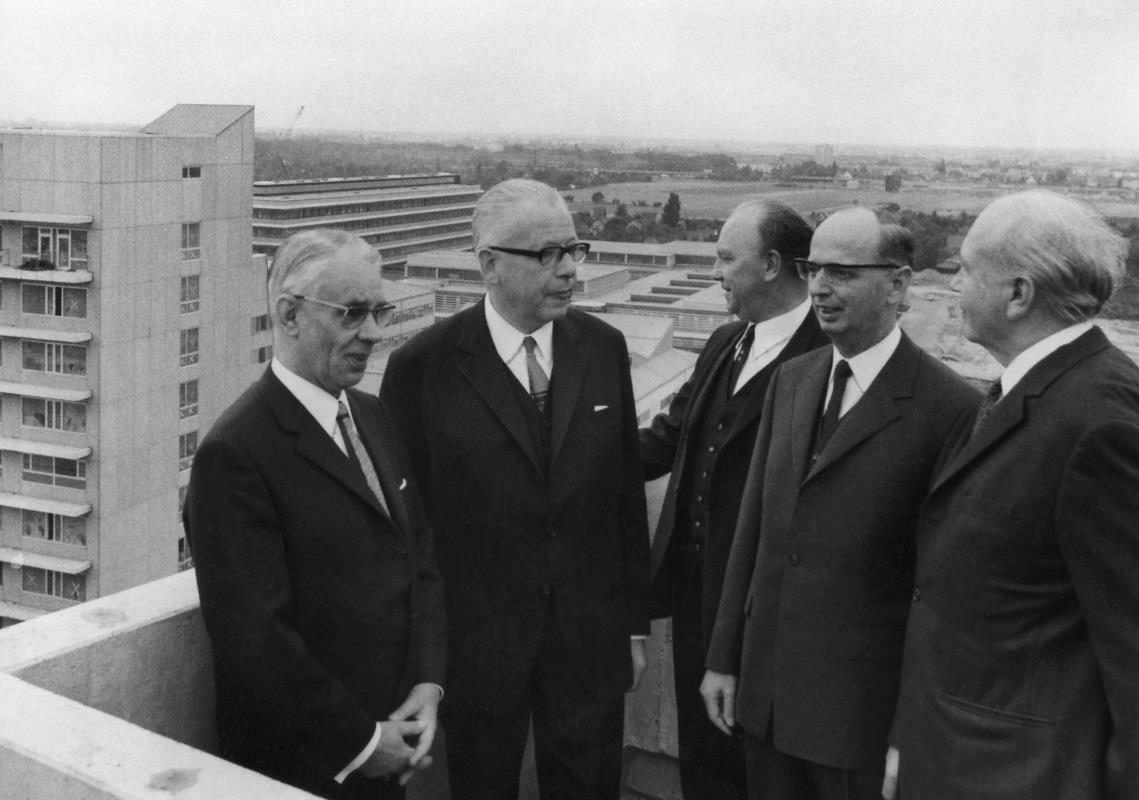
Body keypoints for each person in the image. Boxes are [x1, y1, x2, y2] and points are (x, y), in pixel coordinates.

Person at [380, 178, 649, 800]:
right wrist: (426, 658)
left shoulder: (603, 349)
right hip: (478, 651)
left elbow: (623, 495)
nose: (569, 270)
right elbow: (408, 529)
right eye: (547, 255)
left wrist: (633, 624)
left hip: (589, 643)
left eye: (574, 250)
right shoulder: (423, 365)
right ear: (489, 264)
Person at [701, 207, 979, 799]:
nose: (820, 287)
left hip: (858, 725)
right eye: (813, 268)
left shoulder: (951, 408)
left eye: (843, 273)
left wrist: (910, 730)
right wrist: (723, 659)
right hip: (764, 702)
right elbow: (752, 533)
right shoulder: (794, 380)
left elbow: (940, 593)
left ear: (899, 285)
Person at [885, 191, 1139, 800]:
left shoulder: (1100, 421)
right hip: (953, 760)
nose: (952, 286)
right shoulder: (1026, 393)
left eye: (966, 270)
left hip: (1024, 777)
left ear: (1018, 293)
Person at [184, 230, 445, 800]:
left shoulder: (372, 415)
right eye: (352, 313)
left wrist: (429, 681)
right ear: (289, 314)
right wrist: (360, 744)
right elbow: (255, 640)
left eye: (378, 311)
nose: (373, 333)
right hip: (303, 768)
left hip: (390, 747)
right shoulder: (235, 454)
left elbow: (417, 552)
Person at [640, 200, 826, 800]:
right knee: (703, 754)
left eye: (725, 258)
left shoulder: (826, 355)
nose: (715, 271)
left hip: (767, 604)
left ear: (772, 264)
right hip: (698, 593)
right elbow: (671, 436)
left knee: (761, 766)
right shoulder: (726, 341)